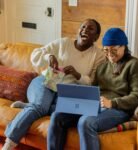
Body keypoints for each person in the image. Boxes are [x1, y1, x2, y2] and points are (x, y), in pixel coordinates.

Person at [2, 19, 105, 150]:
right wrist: (49, 57)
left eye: (90, 29)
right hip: (45, 81)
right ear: (78, 30)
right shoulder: (63, 43)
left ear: (96, 37)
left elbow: (93, 82)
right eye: (83, 27)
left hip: (66, 91)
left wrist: (77, 75)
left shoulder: (98, 56)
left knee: (62, 111)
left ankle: (27, 106)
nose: (85, 30)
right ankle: (9, 144)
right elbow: (35, 55)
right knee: (40, 107)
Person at [47, 28, 138, 150]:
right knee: (58, 116)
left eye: (113, 50)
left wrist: (112, 103)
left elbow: (137, 97)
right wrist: (80, 99)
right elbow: (93, 90)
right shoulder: (102, 67)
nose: (109, 53)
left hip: (119, 110)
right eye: (106, 50)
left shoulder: (135, 65)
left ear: (123, 46)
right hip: (96, 105)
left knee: (86, 122)